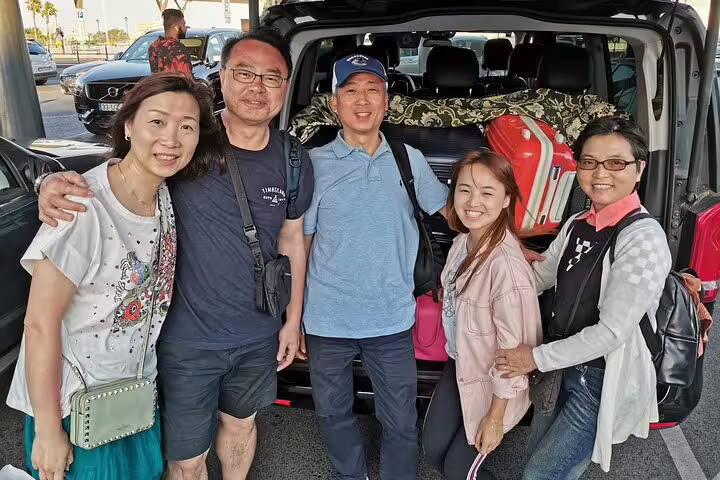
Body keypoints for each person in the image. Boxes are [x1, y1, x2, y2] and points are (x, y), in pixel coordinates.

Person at [35, 28, 314, 480]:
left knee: (242, 425)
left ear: (286, 86)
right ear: (222, 78)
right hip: (184, 339)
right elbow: (128, 168)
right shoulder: (188, 140)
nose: (256, 87)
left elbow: (291, 240)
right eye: (244, 73)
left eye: (271, 77)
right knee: (187, 458)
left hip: (258, 331)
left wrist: (292, 318)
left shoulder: (293, 158)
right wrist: (47, 183)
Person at [6, 72, 221, 480]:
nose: (171, 138)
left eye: (187, 126)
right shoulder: (81, 206)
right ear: (128, 125)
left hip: (133, 395)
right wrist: (50, 431)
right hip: (75, 406)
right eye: (157, 121)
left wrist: (43, 180)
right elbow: (38, 325)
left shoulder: (165, 195)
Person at [495, 116, 673, 479]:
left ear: (639, 169)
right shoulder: (578, 223)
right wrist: (495, 263)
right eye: (589, 162)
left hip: (599, 378)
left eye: (616, 163)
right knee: (537, 459)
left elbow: (611, 333)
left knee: (542, 475)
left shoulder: (643, 239)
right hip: (559, 367)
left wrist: (535, 357)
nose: (600, 173)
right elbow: (540, 277)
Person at [302, 53, 449, 480]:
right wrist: (294, 319)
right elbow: (302, 243)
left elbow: (457, 215)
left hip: (391, 317)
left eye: (372, 90)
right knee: (333, 415)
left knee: (401, 420)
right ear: (335, 103)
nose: (362, 100)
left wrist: (508, 240)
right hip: (327, 320)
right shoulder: (313, 164)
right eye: (350, 90)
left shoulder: (409, 159)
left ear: (386, 102)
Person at [422, 151, 543, 480]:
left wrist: (494, 417)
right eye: (465, 189)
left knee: (460, 470)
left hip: (495, 383)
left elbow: (512, 356)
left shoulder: (506, 270)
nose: (473, 201)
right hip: (461, 364)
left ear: (506, 199)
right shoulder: (463, 241)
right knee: (434, 449)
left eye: (487, 192)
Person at [148, 9, 192, 76]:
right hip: (176, 86)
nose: (185, 29)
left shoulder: (153, 47)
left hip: (159, 86)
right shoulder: (177, 48)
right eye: (183, 25)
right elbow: (187, 79)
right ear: (176, 27)